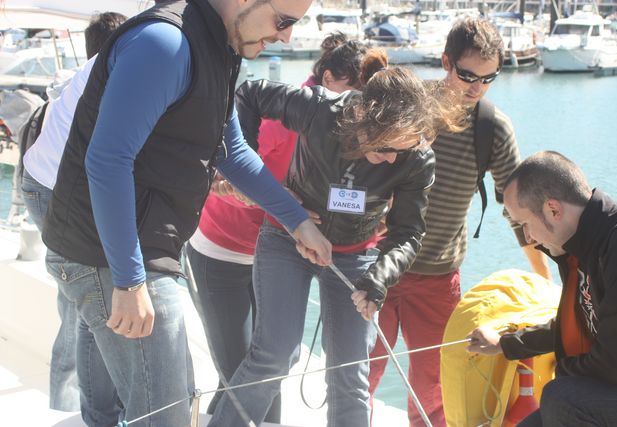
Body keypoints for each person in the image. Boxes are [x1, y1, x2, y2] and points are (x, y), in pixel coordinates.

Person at [40, 0, 331, 426]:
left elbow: (231, 152)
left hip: (142, 243)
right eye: (283, 21)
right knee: (167, 413)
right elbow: (107, 160)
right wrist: (129, 278)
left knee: (174, 403)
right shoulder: (165, 43)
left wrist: (297, 220)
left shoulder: (218, 45)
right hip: (108, 253)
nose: (286, 36)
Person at [209, 51, 466, 427]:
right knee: (275, 355)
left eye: (404, 149)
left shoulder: (415, 157)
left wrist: (379, 278)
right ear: (364, 118)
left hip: (355, 256)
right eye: (386, 148)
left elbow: (409, 232)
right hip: (286, 236)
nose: (394, 160)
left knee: (350, 372)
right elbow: (248, 94)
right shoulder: (320, 109)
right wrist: (253, 175)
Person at [367, 17, 551, 427]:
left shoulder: (493, 129)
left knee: (435, 390)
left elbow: (516, 208)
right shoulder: (407, 106)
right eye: (468, 75)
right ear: (446, 61)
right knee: (360, 375)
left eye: (489, 78)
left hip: (437, 276)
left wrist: (542, 275)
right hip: (375, 267)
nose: (476, 87)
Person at [186, 32, 367, 421]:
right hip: (224, 249)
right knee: (243, 370)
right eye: (354, 91)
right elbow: (226, 178)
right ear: (329, 79)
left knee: (274, 365)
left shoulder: (347, 128)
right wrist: (280, 201)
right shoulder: (283, 115)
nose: (357, 106)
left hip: (278, 250)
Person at [467, 151, 617, 427]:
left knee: (561, 397)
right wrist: (505, 343)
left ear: (553, 210)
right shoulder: (577, 245)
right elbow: (577, 322)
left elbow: (616, 364)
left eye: (525, 224)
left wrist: (562, 370)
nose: (528, 237)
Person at [20, 11, 127, 412]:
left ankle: (67, 402)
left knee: (77, 300)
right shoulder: (105, 80)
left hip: (44, 185)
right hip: (54, 191)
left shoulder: (82, 76)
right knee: (80, 300)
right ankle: (71, 404)